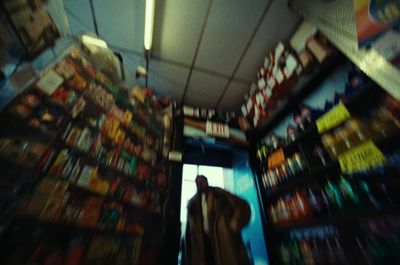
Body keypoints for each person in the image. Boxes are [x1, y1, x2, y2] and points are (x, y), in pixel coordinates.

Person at [183, 175, 252, 265]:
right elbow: (190, 229)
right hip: (204, 243)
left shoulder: (219, 194)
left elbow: (242, 205)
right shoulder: (193, 203)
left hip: (223, 240)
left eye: (202, 181)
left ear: (207, 181)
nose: (200, 184)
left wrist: (233, 224)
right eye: (198, 183)